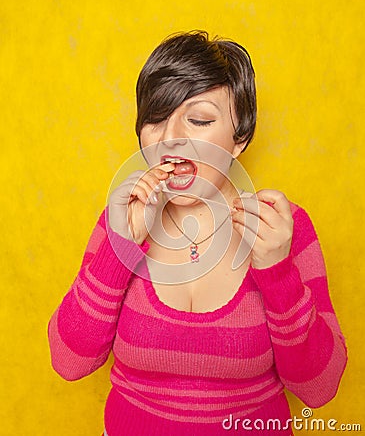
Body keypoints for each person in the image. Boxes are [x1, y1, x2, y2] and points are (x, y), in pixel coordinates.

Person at [47, 31, 347, 436]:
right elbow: (69, 362)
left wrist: (277, 273)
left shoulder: (283, 228)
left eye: (200, 119)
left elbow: (320, 388)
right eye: (156, 118)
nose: (171, 138)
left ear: (239, 138)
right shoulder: (123, 216)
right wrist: (120, 249)